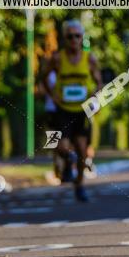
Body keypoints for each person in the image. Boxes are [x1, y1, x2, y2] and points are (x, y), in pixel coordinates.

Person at [41, 20, 103, 202]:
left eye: (77, 36)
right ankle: (68, 162)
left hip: (82, 110)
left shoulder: (89, 58)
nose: (74, 40)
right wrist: (53, 95)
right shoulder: (57, 59)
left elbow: (99, 82)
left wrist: (95, 95)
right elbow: (43, 77)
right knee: (61, 146)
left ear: (82, 38)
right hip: (63, 109)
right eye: (70, 36)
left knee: (83, 151)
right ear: (64, 39)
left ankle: (80, 184)